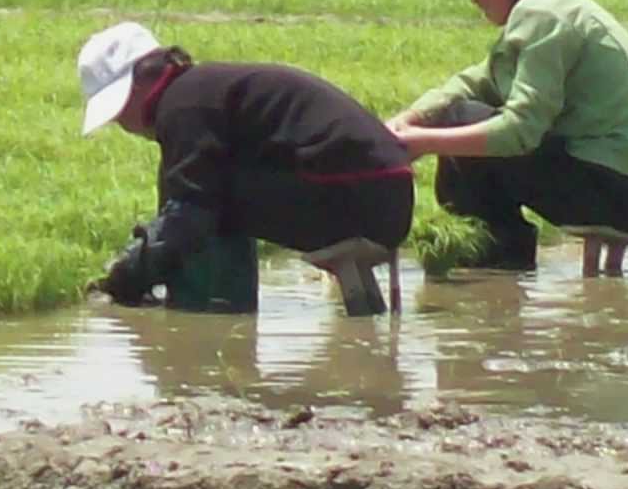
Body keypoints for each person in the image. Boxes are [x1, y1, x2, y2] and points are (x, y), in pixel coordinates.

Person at [386, 0, 628, 271]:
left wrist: (425, 142)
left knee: (461, 121)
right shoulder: (549, 6)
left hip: (614, 190)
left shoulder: (544, 17)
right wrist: (408, 120)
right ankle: (501, 263)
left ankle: (494, 268)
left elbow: (521, 132)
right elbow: (482, 80)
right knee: (459, 112)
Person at [78, 21, 413, 312]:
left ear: (139, 82)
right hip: (385, 198)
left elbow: (190, 212)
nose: (121, 123)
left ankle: (212, 317)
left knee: (202, 204)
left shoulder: (183, 105)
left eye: (119, 111)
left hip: (360, 200)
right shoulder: (203, 90)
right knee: (195, 195)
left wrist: (128, 276)